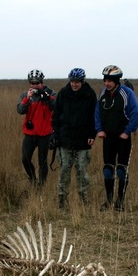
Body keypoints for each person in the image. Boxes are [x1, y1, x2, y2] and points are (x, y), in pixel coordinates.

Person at [95, 65, 138, 211]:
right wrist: (99, 129)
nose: (107, 83)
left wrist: (127, 131)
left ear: (116, 80)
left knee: (121, 170)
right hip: (108, 137)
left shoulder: (127, 93)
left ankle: (120, 202)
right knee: (108, 169)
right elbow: (97, 113)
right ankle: (108, 201)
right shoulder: (103, 93)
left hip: (123, 137)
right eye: (105, 80)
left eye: (110, 80)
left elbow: (136, 114)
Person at [50, 68, 97, 208]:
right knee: (64, 171)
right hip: (65, 139)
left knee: (82, 171)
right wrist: (55, 135)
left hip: (83, 140)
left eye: (77, 82)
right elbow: (56, 116)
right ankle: (62, 201)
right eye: (72, 81)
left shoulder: (90, 94)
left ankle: (83, 200)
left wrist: (92, 134)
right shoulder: (63, 94)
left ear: (82, 81)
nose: (74, 84)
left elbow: (94, 117)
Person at [16, 69, 57, 187]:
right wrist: (27, 99)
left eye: (37, 83)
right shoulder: (25, 94)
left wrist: (46, 97)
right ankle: (33, 180)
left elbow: (57, 107)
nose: (35, 86)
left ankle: (41, 186)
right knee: (25, 159)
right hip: (30, 133)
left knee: (42, 161)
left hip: (45, 134)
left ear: (42, 82)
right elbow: (20, 110)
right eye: (32, 83)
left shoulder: (51, 93)